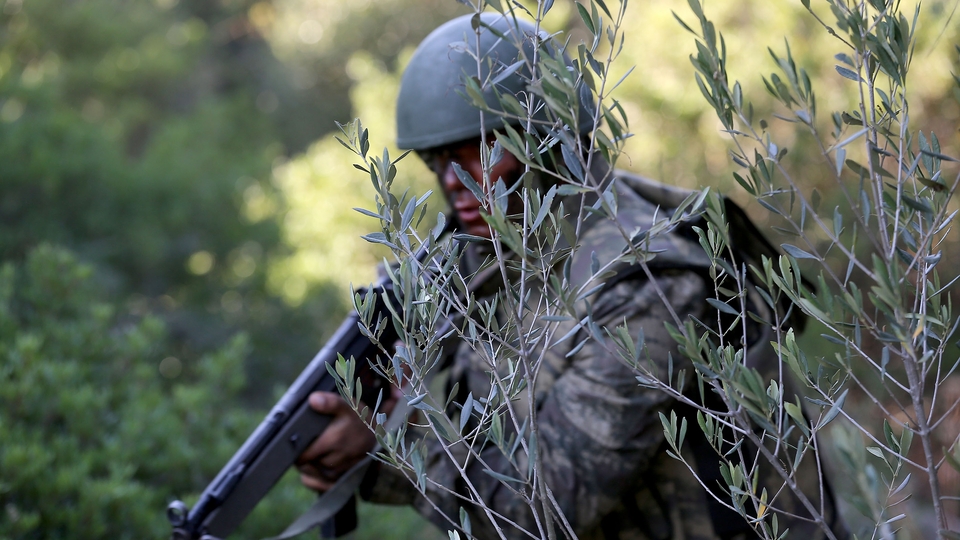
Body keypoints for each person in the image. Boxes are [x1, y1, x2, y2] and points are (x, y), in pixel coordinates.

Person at [297, 13, 847, 540]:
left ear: (550, 145)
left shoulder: (649, 284)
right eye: (439, 160)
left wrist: (388, 450)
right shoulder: (489, 261)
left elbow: (545, 512)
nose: (456, 180)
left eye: (484, 149)